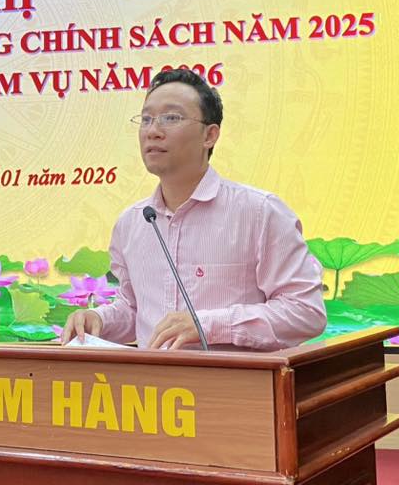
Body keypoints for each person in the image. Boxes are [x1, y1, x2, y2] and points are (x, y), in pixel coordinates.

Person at [61, 68, 326, 351]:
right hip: (151, 380)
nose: (153, 131)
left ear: (209, 135)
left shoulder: (260, 212)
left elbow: (305, 312)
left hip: (235, 379)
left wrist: (209, 325)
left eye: (171, 118)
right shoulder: (132, 223)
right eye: (146, 119)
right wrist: (100, 319)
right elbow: (135, 309)